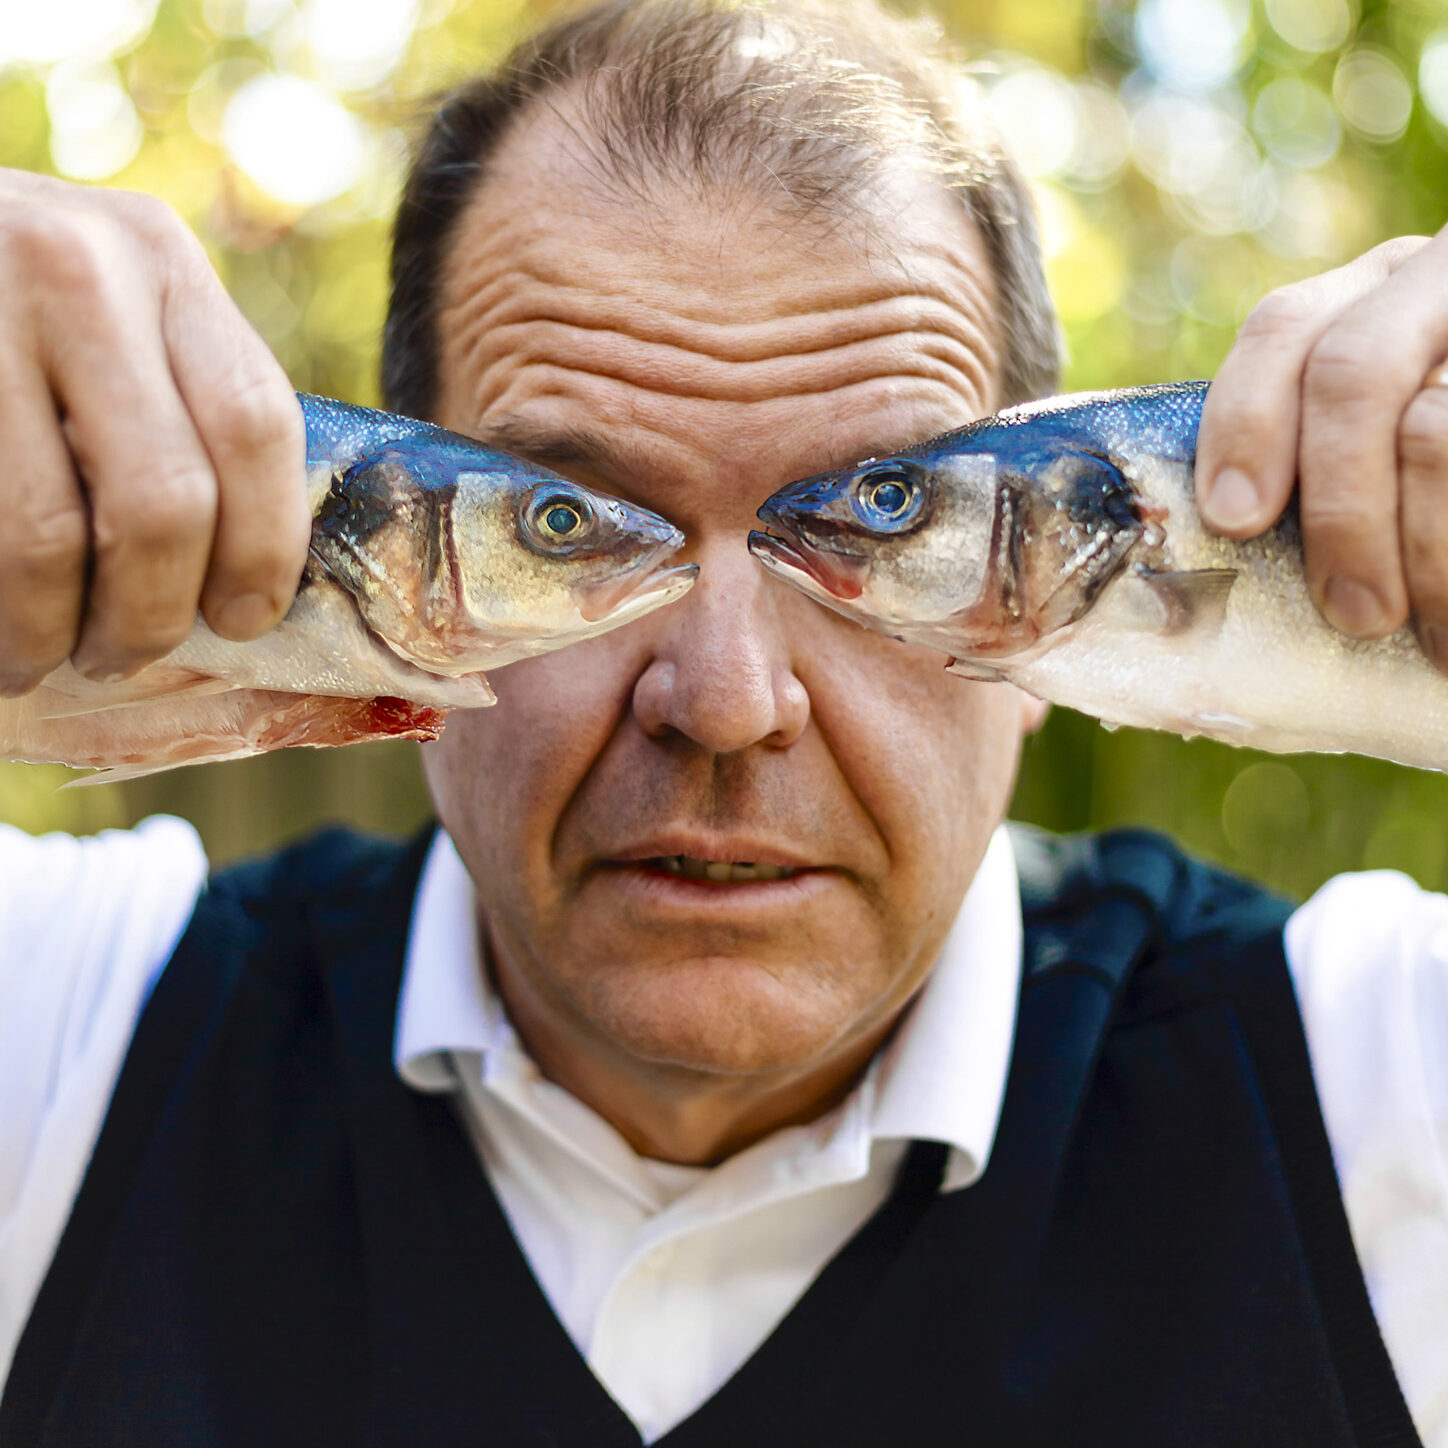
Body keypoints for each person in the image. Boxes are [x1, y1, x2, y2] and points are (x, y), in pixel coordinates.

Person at [1, 0, 1447, 1443]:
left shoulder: (1379, 1095)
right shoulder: (67, 1038)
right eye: (562, 526)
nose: (728, 704)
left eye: (886, 529)